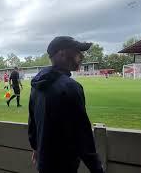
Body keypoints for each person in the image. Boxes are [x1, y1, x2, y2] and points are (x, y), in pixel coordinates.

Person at [28, 36, 104, 173]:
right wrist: (97, 169)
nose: (81, 56)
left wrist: (35, 147)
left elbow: (32, 121)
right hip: (64, 165)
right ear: (62, 54)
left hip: (44, 163)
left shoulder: (36, 85)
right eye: (77, 51)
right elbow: (82, 134)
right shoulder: (71, 87)